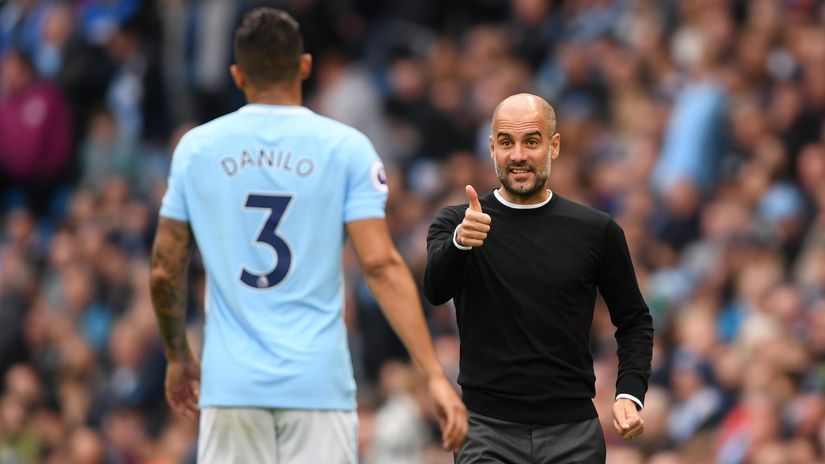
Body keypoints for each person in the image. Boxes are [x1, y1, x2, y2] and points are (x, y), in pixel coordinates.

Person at [148, 8, 466, 463]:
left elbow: (164, 268)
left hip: (232, 384)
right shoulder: (345, 147)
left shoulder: (196, 148)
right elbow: (379, 264)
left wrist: (178, 355)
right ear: (304, 67)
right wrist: (434, 373)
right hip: (316, 382)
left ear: (237, 75)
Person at [423, 93, 653, 463]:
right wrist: (459, 244)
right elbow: (435, 290)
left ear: (554, 145)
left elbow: (635, 321)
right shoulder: (458, 223)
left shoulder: (596, 231)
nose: (518, 155)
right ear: (492, 149)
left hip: (573, 434)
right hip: (485, 431)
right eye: (506, 142)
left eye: (531, 141)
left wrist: (629, 393)